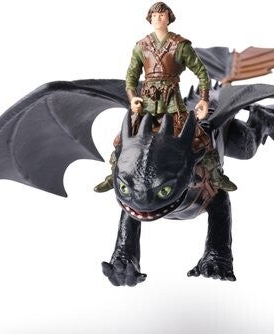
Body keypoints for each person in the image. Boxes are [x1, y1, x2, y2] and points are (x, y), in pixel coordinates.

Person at [94, 2, 236, 193]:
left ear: (169, 18)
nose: (157, 18)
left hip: (172, 103)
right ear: (149, 18)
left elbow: (201, 72)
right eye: (154, 15)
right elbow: (131, 76)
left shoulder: (180, 45)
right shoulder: (142, 46)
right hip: (147, 101)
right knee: (121, 140)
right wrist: (133, 97)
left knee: (201, 138)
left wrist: (204, 99)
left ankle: (216, 176)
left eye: (161, 15)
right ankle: (114, 175)